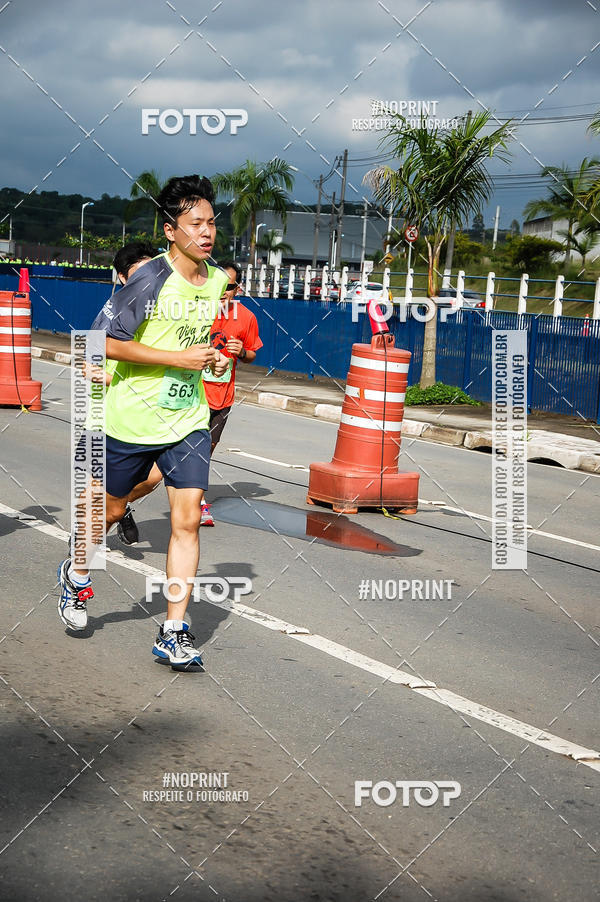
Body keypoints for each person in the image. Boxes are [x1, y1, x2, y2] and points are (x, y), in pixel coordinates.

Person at [57, 174, 229, 669]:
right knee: (107, 514)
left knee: (188, 520)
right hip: (130, 422)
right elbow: (100, 341)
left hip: (187, 418)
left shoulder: (215, 279)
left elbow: (194, 341)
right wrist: (175, 360)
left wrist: (212, 359)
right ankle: (76, 573)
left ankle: (173, 630)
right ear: (170, 229)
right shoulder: (149, 279)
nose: (206, 232)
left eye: (211, 222)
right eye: (195, 223)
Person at [199, 262, 262, 526]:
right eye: (221, 286)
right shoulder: (196, 311)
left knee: (207, 449)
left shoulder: (247, 317)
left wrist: (241, 352)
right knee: (193, 450)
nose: (225, 292)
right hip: (194, 393)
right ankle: (198, 502)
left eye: (230, 287)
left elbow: (252, 354)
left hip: (223, 397)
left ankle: (192, 495)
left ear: (237, 289)